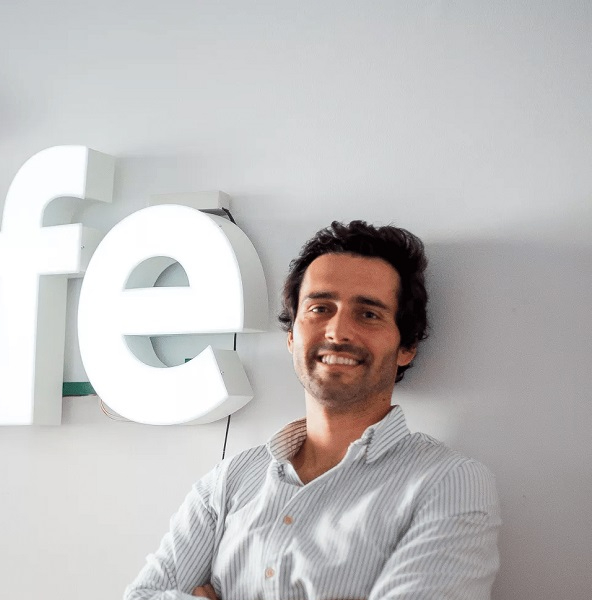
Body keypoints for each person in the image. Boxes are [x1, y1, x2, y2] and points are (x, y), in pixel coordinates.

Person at [124, 221, 500, 600]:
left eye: (368, 314)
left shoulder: (448, 484)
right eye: (320, 308)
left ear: (407, 346)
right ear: (291, 336)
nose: (337, 331)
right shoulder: (230, 481)